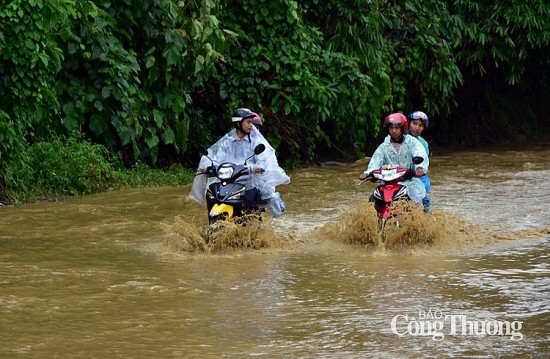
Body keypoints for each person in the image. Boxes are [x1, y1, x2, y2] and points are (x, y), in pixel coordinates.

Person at [189, 108, 290, 217]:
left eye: (252, 122)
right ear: (238, 123)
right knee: (212, 192)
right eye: (248, 122)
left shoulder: (257, 142)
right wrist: (208, 167)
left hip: (249, 183)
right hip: (229, 181)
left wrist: (257, 168)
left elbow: (264, 158)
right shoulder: (227, 142)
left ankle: (251, 224)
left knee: (250, 195)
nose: (251, 125)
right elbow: (217, 159)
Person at [359, 113, 429, 205]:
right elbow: (376, 161)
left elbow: (419, 152)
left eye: (397, 128)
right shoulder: (384, 146)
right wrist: (368, 173)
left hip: (408, 181)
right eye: (391, 128)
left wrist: (419, 167)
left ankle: (422, 217)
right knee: (373, 200)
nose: (394, 131)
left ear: (402, 128)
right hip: (388, 182)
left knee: (419, 201)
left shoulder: (412, 142)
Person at [407, 111, 431, 213]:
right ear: (408, 123)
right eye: (414, 123)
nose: (417, 128)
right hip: (398, 174)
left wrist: (419, 169)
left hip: (418, 176)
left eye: (420, 125)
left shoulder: (423, 144)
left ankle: (426, 221)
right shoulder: (398, 138)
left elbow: (423, 161)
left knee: (425, 199)